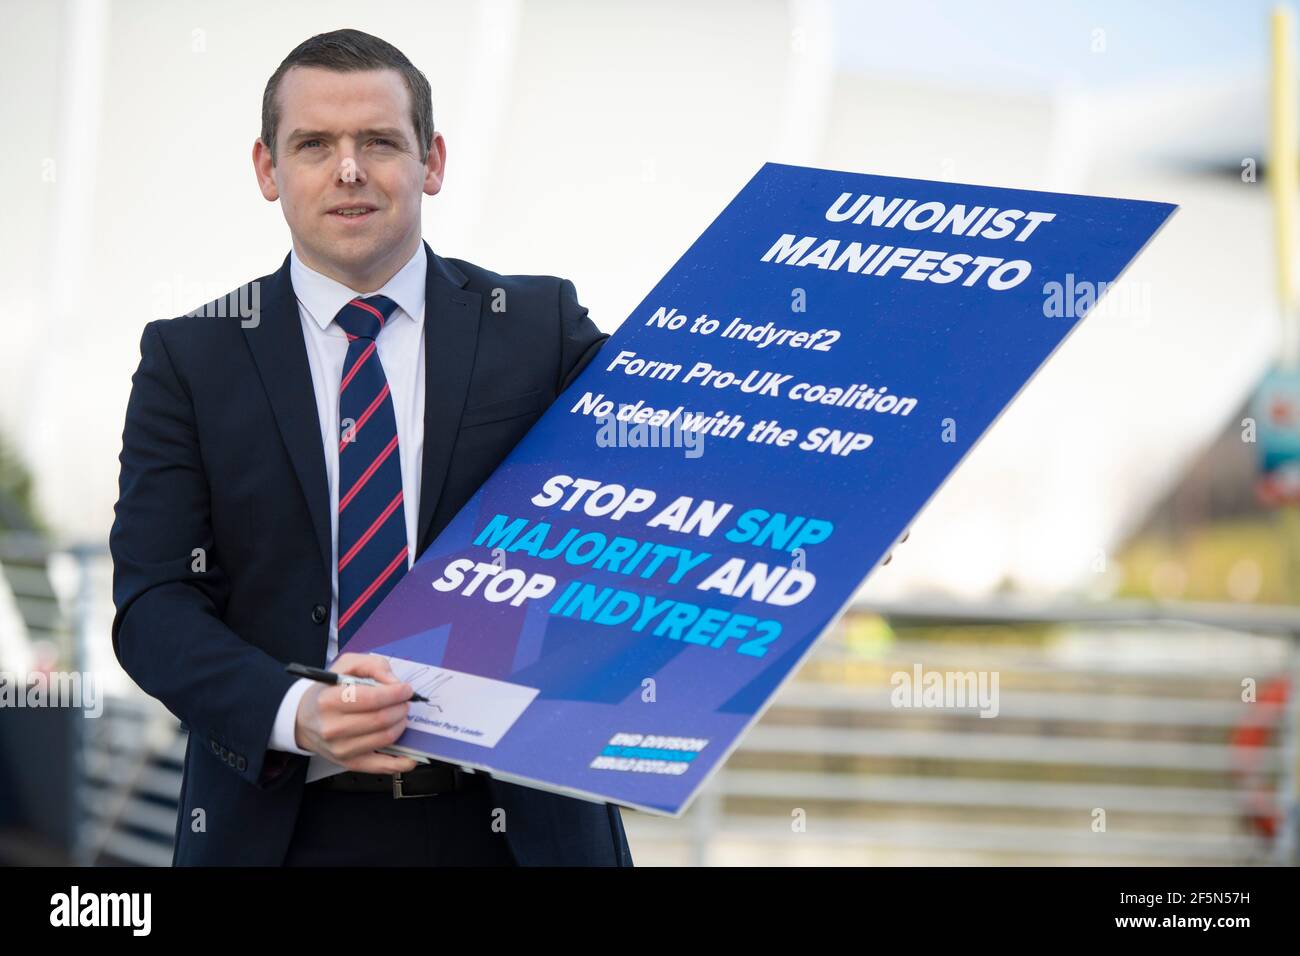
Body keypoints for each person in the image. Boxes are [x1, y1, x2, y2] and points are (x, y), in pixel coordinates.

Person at [109, 27, 632, 867]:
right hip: (281, 831)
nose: (348, 169)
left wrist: (830, 492)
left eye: (380, 142)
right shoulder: (191, 358)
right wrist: (292, 710)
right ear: (267, 170)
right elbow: (154, 607)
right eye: (314, 144)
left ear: (432, 162)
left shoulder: (539, 328)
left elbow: (685, 457)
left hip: (523, 832)